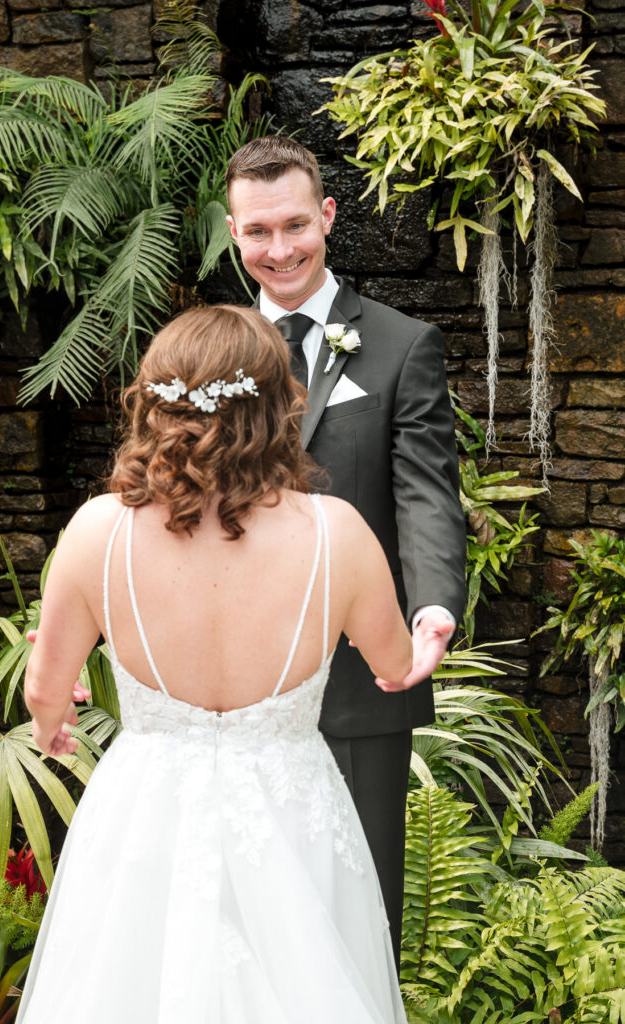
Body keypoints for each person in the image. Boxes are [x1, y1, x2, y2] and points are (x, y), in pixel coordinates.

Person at [16, 305, 415, 1023]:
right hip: (293, 810)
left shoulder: (97, 531)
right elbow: (393, 660)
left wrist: (52, 722)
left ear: (155, 403)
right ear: (277, 407)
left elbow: (47, 686)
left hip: (146, 809)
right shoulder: (337, 534)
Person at [225, 136, 466, 965]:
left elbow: (426, 491)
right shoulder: (206, 354)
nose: (280, 249)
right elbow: (166, 499)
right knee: (245, 914)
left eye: (296, 224)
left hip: (360, 675)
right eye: (259, 232)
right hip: (229, 676)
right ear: (234, 233)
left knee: (361, 907)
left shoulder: (402, 346)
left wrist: (432, 603)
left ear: (327, 215)